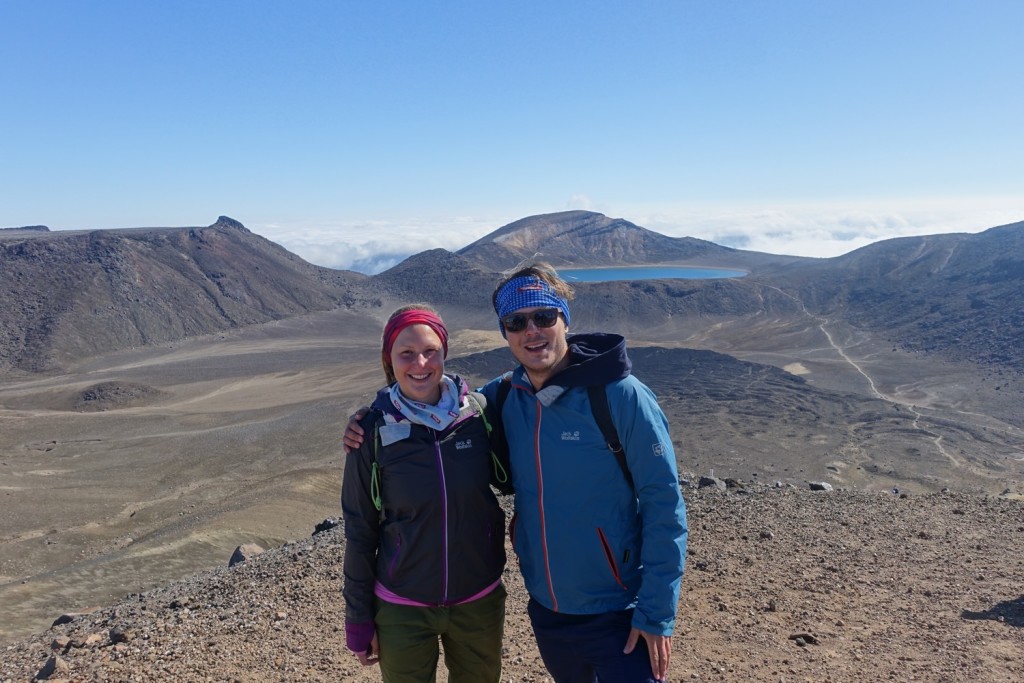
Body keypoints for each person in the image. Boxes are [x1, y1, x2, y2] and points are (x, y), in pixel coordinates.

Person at [345, 264, 688, 682]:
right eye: (516, 321)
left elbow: (664, 505)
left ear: (565, 318)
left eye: (544, 316)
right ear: (505, 331)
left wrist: (656, 612)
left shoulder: (620, 395)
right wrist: (368, 417)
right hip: (548, 610)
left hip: (620, 608)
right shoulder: (503, 397)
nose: (532, 331)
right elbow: (439, 405)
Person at [341, 304, 508, 683]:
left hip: (478, 597)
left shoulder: (478, 415)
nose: (420, 362)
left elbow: (515, 480)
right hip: (402, 605)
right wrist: (358, 619)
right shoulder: (371, 431)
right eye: (406, 353)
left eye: (431, 350)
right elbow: (359, 529)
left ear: (445, 352)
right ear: (390, 359)